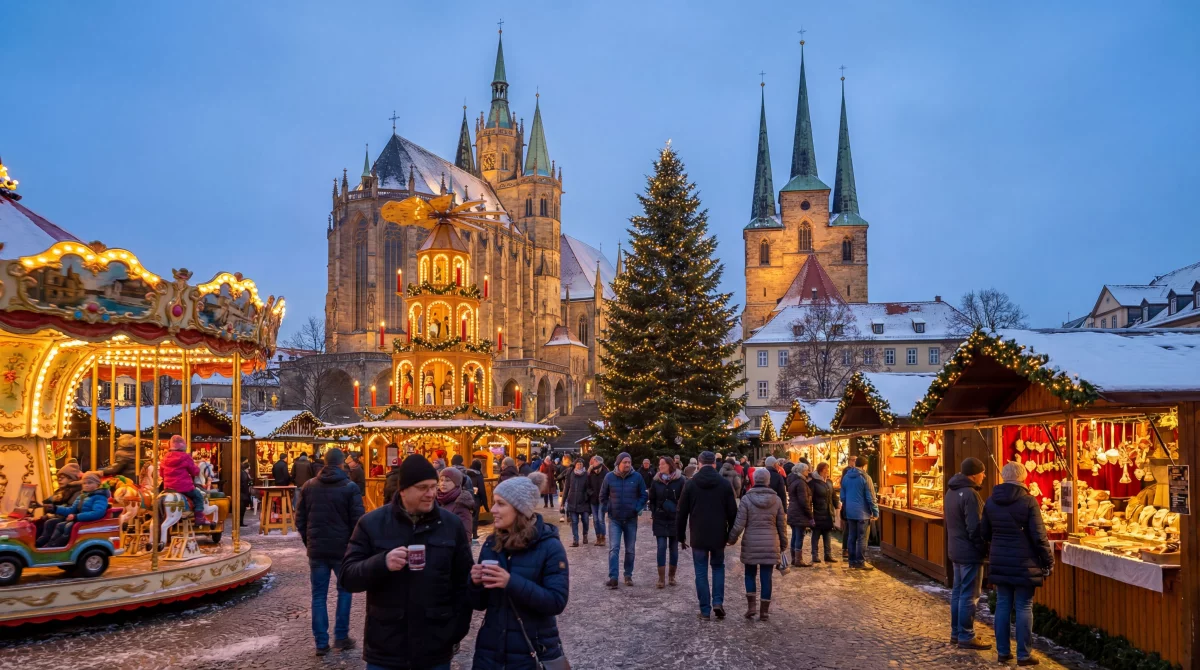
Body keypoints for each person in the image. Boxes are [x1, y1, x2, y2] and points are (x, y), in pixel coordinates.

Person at [341, 454, 473, 670]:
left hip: (435, 649)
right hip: (386, 649)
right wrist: (382, 563)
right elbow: (348, 577)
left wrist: (455, 630)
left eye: (433, 486)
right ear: (403, 490)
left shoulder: (451, 525)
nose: (431, 493)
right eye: (422, 488)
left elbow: (463, 582)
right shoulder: (372, 523)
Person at [470, 472, 569, 669]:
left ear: (519, 509)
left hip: (532, 651)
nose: (493, 509)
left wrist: (510, 582)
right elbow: (479, 603)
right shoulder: (491, 544)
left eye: (501, 503)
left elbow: (556, 602)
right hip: (490, 652)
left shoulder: (549, 546)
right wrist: (474, 583)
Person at [296, 447, 365, 656]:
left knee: (318, 596)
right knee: (344, 591)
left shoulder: (309, 486)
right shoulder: (350, 487)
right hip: (342, 549)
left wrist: (310, 542)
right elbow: (358, 522)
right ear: (342, 463)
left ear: (324, 463)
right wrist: (354, 546)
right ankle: (341, 637)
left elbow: (300, 519)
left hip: (317, 550)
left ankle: (321, 643)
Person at [982, 461, 1053, 666]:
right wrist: (1048, 561)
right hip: (1024, 562)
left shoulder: (991, 501)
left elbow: (984, 532)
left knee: (1003, 604)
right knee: (1024, 606)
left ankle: (1003, 652)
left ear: (1004, 477)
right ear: (1023, 477)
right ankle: (1024, 654)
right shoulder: (1029, 502)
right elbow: (1039, 536)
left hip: (1000, 560)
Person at [676, 451, 737, 620]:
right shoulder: (724, 484)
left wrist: (681, 536)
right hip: (718, 535)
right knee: (718, 568)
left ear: (700, 464)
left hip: (698, 534)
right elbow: (733, 512)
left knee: (701, 572)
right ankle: (717, 601)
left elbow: (681, 513)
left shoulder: (691, 484)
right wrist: (732, 534)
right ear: (715, 464)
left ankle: (704, 609)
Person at [728, 467, 787, 621]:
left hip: (751, 542)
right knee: (766, 577)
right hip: (770, 542)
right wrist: (783, 544)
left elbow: (739, 524)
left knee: (749, 574)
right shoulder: (777, 500)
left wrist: (731, 539)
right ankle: (764, 612)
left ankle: (751, 607)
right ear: (768, 481)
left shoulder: (747, 499)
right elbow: (782, 524)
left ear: (754, 480)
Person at [946, 457, 990, 650]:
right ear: (974, 474)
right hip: (969, 552)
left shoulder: (952, 491)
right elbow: (975, 527)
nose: (984, 476)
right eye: (982, 472)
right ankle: (966, 635)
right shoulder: (970, 494)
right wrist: (983, 548)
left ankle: (956, 633)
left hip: (956, 549)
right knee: (969, 595)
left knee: (958, 592)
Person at [599, 452, 647, 589]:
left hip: (631, 519)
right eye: (624, 462)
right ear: (618, 463)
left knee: (630, 549)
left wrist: (636, 508)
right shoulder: (609, 477)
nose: (627, 464)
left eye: (629, 462)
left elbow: (644, 495)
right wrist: (609, 508)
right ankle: (613, 577)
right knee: (614, 548)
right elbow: (602, 496)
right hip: (615, 519)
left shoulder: (637, 477)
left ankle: (628, 575)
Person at [45, 471, 110, 547]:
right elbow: (71, 510)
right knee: (58, 525)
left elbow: (97, 513)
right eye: (84, 483)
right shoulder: (82, 496)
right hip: (80, 520)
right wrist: (56, 508)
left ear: (97, 485)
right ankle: (50, 544)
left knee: (68, 526)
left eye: (89, 483)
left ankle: (59, 546)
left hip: (90, 522)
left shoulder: (100, 497)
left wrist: (76, 516)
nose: (86, 485)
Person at [648, 456, 685, 588]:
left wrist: (680, 513)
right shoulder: (656, 481)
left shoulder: (681, 480)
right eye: (659, 464)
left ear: (669, 465)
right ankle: (661, 578)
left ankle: (672, 576)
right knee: (661, 547)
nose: (660, 466)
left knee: (674, 548)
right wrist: (654, 511)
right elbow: (651, 498)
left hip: (675, 519)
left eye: (662, 464)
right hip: (660, 518)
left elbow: (684, 499)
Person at [840, 455, 879, 569]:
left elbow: (842, 496)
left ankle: (851, 562)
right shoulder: (866, 478)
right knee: (862, 538)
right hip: (863, 513)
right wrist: (875, 512)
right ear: (864, 466)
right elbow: (871, 497)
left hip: (850, 512)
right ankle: (860, 562)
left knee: (852, 536)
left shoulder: (846, 476)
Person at [161, 435, 208, 525]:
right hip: (184, 487)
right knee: (198, 496)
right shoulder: (185, 457)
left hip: (168, 487)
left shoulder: (165, 457)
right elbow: (194, 472)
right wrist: (198, 468)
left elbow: (161, 473)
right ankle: (199, 517)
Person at [34, 463, 83, 547]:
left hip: (68, 518)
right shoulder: (62, 492)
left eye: (62, 478)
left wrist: (53, 511)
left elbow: (71, 509)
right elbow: (48, 501)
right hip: (61, 516)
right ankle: (36, 542)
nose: (59, 480)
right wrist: (38, 503)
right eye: (58, 478)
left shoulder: (76, 492)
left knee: (50, 522)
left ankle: (46, 545)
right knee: (40, 521)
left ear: (71, 479)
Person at [808, 462, 840, 563]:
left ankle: (828, 555)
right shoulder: (813, 482)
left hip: (828, 512)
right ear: (821, 470)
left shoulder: (829, 482)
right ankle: (815, 555)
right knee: (816, 534)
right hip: (817, 512)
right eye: (826, 469)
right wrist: (810, 513)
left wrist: (837, 504)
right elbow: (809, 499)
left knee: (827, 534)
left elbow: (833, 496)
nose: (827, 470)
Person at [786, 462, 814, 567]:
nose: (808, 472)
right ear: (802, 471)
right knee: (799, 536)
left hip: (793, 511)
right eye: (807, 470)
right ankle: (798, 559)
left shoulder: (793, 481)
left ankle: (794, 558)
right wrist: (810, 516)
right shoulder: (801, 483)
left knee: (795, 535)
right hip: (799, 513)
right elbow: (804, 501)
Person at [561, 457, 593, 546]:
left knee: (585, 520)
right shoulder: (570, 474)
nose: (579, 466)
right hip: (572, 501)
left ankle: (585, 535)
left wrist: (589, 495)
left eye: (581, 464)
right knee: (574, 521)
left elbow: (590, 487)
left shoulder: (586, 475)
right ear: (575, 465)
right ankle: (575, 540)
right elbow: (566, 488)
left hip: (584, 501)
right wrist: (563, 502)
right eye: (578, 464)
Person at [437, 466, 476, 534]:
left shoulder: (461, 503)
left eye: (447, 480)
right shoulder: (436, 499)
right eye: (441, 480)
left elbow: (465, 534)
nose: (443, 484)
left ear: (457, 483)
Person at [586, 455, 609, 547]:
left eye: (595, 461)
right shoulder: (590, 473)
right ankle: (598, 537)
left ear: (599, 462)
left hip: (602, 500)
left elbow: (608, 487)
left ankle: (603, 537)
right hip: (593, 500)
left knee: (600, 519)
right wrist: (591, 493)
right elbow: (587, 486)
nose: (593, 462)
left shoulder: (606, 473)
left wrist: (604, 496)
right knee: (595, 520)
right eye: (593, 461)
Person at [467, 458, 488, 540]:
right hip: (476, 499)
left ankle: (467, 533)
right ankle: (474, 533)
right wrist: (486, 505)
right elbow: (482, 490)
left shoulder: (466, 474)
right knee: (475, 517)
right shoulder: (479, 475)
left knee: (467, 516)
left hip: (467, 498)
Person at [239, 460, 253, 527]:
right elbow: (247, 483)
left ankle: (241, 522)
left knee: (242, 508)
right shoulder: (244, 474)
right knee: (242, 509)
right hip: (244, 493)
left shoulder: (243, 473)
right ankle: (240, 522)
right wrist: (250, 480)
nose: (250, 468)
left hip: (243, 493)